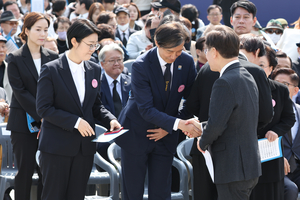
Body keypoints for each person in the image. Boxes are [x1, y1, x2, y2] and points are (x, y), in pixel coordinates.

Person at [36, 19, 121, 200]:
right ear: (74, 41)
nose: (93, 49)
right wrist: (75, 122)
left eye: (95, 45)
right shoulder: (51, 69)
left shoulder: (94, 69)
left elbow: (96, 105)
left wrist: (110, 120)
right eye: (90, 45)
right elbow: (44, 108)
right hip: (56, 148)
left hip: (84, 149)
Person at [115, 21, 199, 200]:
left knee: (161, 191)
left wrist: (170, 127)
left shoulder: (186, 61)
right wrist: (177, 124)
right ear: (157, 43)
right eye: (170, 52)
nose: (175, 56)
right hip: (136, 132)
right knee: (133, 191)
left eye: (179, 51)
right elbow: (145, 108)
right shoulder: (141, 65)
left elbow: (192, 100)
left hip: (165, 135)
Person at [186, 37, 273, 200]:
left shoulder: (224, 81)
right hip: (248, 165)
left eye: (206, 51)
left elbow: (218, 124)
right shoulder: (247, 74)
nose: (205, 56)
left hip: (232, 167)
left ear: (214, 52)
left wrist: (202, 141)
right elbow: (236, 118)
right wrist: (203, 126)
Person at [6, 12, 59, 200]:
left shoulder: (53, 56)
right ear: (26, 31)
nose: (43, 34)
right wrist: (43, 114)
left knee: (48, 172)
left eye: (46, 29)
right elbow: (20, 92)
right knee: (25, 171)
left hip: (50, 124)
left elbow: (57, 89)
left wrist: (50, 116)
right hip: (23, 124)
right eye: (38, 29)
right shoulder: (15, 58)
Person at [250, 42, 295, 200]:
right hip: (245, 155)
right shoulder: (239, 88)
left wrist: (276, 131)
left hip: (269, 154)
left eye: (261, 65)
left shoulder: (280, 90)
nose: (255, 69)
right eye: (251, 64)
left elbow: (289, 118)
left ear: (271, 69)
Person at [96, 42, 131, 165]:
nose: (117, 64)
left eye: (119, 60)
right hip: (105, 134)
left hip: (130, 133)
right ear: (102, 64)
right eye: (112, 60)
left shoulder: (133, 83)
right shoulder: (96, 85)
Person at [270, 68, 300, 200]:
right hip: (278, 167)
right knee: (291, 189)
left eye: (285, 84)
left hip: (298, 168)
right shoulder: (268, 113)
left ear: (296, 90)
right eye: (276, 83)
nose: (279, 88)